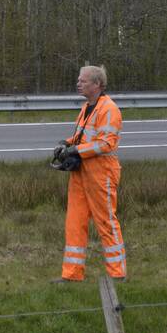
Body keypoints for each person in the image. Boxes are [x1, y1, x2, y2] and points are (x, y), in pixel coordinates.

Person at [53, 65, 127, 282]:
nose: (78, 84)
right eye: (78, 80)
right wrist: (65, 144)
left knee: (106, 222)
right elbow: (81, 137)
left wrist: (76, 150)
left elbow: (105, 143)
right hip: (81, 173)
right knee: (74, 222)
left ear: (97, 84)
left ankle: (118, 274)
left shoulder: (109, 109)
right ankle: (72, 274)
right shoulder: (87, 107)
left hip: (101, 172)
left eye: (83, 81)